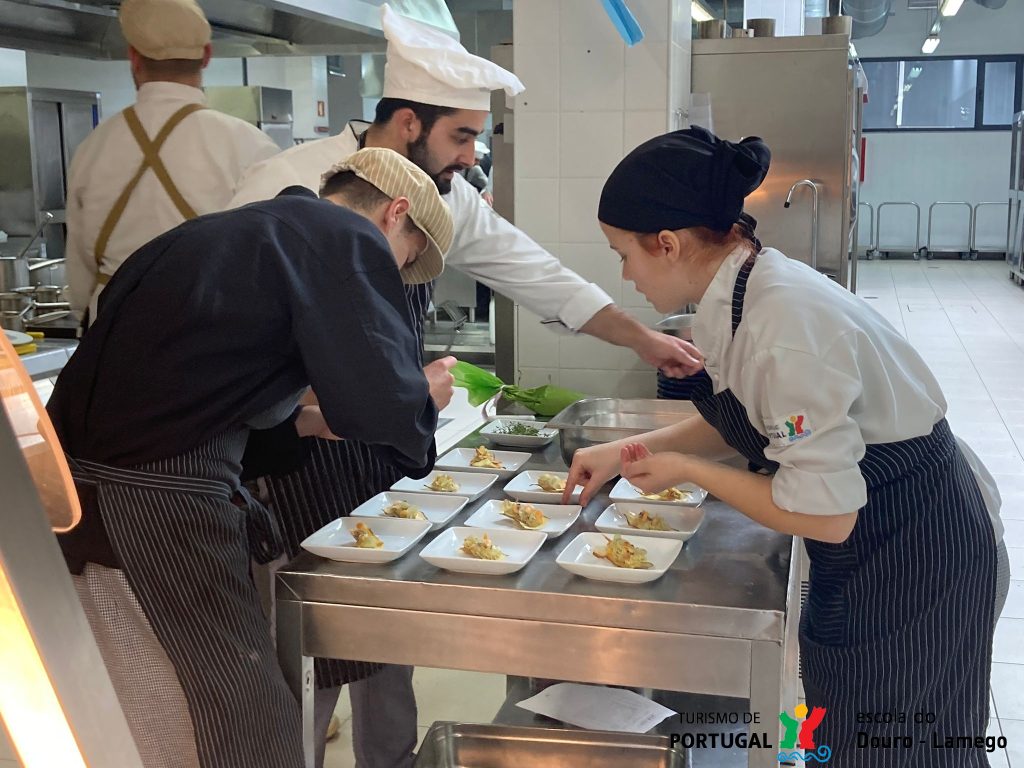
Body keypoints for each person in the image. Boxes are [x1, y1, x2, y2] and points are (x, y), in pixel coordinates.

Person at [228, 6, 705, 768]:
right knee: (308, 655)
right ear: (409, 123)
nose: (472, 155)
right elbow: (238, 334)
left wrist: (646, 338)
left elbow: (538, 275)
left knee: (388, 649)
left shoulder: (446, 195)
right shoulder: (287, 184)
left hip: (379, 443)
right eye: (461, 135)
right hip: (293, 448)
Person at [564, 127, 1009, 767]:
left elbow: (826, 515)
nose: (624, 275)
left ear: (666, 244)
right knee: (850, 732)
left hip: (916, 553)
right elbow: (751, 418)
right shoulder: (739, 293)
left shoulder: (782, 322)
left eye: (622, 255)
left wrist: (689, 470)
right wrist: (630, 452)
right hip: (873, 543)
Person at [49, 147, 454, 768]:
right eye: (405, 259)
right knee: (237, 719)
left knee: (151, 696)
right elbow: (381, 406)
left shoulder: (232, 230)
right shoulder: (345, 238)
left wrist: (311, 423)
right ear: (394, 215)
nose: (395, 275)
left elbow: (196, 391)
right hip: (155, 507)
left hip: (87, 496)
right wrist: (419, 397)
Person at [65, 0, 280, 323]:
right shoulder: (250, 145)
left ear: (133, 57)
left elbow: (80, 282)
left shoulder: (92, 148)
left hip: (113, 336)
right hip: (211, 334)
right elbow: (272, 262)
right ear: (206, 55)